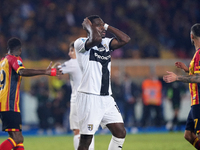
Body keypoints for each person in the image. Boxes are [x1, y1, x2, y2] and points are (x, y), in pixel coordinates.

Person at [74, 15, 130, 150]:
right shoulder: (80, 43)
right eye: (99, 25)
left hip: (106, 98)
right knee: (86, 140)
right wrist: (89, 26)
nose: (103, 27)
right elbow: (95, 38)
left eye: (103, 25)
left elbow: (125, 39)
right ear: (90, 27)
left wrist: (106, 26)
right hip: (89, 96)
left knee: (120, 132)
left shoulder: (106, 43)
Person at [0, 37, 61, 150]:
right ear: (20, 50)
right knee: (17, 138)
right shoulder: (14, 58)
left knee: (17, 138)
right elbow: (22, 71)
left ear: (8, 48)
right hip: (10, 104)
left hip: (5, 103)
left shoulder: (2, 61)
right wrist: (46, 71)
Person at [163, 23, 200, 150]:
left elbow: (199, 78)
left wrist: (177, 77)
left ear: (191, 36)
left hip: (199, 101)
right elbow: (196, 75)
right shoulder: (197, 54)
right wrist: (186, 70)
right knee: (189, 135)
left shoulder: (199, 54)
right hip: (195, 101)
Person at [56, 42, 94, 149]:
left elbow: (56, 71)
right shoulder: (89, 61)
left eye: (71, 50)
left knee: (77, 131)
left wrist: (55, 66)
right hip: (90, 100)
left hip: (77, 100)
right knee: (89, 130)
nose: (69, 53)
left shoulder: (73, 62)